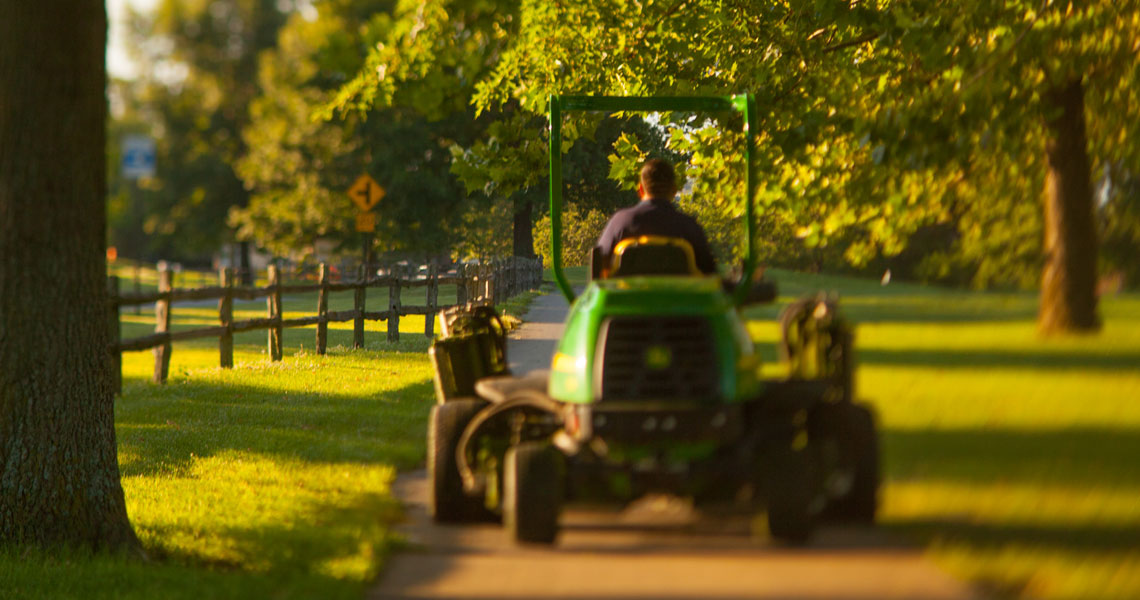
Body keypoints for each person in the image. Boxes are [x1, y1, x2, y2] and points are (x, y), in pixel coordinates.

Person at [595, 158, 717, 275]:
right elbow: (709, 272)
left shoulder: (620, 221)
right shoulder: (690, 226)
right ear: (674, 191)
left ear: (641, 190)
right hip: (678, 296)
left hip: (628, 295)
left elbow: (598, 264)